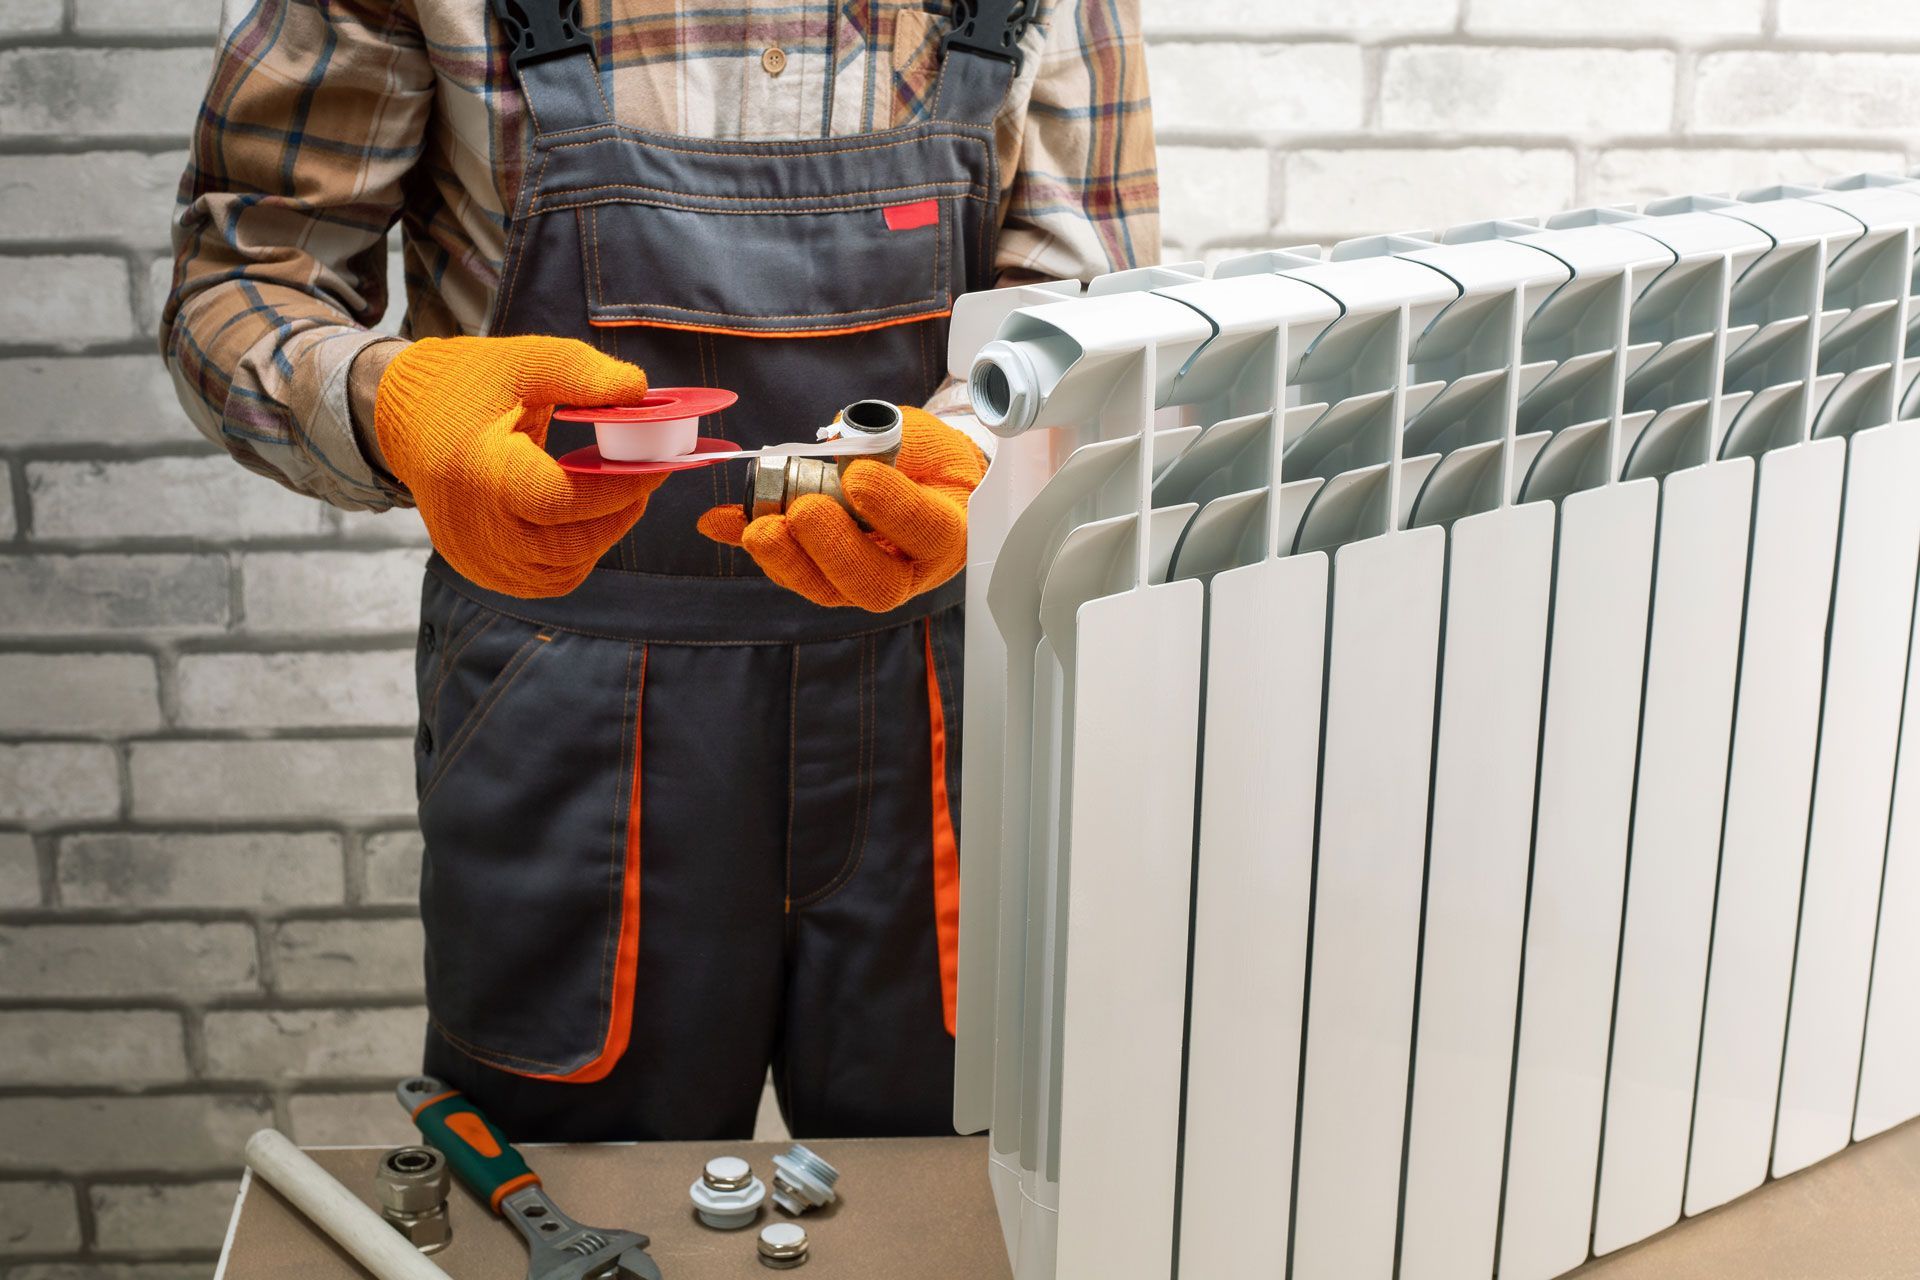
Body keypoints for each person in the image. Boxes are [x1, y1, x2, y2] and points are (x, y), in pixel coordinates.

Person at [161, 0, 1157, 1141]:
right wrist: (391, 409)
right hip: (567, 698)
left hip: (947, 707)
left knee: (963, 1192)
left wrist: (982, 460)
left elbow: (1094, 314)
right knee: (577, 1197)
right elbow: (240, 276)